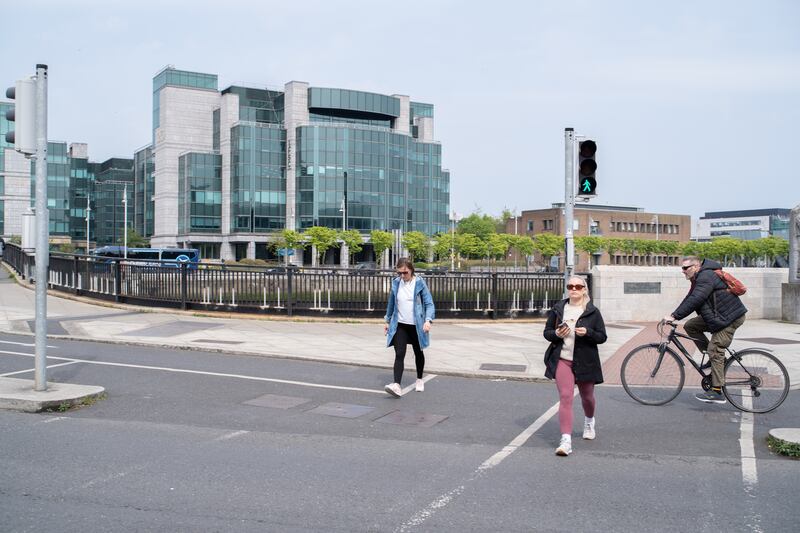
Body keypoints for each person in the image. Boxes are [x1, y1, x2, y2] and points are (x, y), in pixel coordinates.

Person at [663, 256, 747, 404]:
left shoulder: (706, 276)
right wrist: (673, 314)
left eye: (685, 268)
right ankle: (715, 359)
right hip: (719, 316)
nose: (683, 271)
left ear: (696, 267)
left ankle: (717, 391)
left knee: (716, 350)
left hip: (729, 318)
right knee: (691, 326)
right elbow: (690, 298)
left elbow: (697, 298)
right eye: (682, 268)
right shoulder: (698, 279)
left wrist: (674, 316)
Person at [543, 275, 607, 457]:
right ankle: (566, 440)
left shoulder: (592, 311)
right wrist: (556, 333)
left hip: (586, 360)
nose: (573, 289)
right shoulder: (558, 309)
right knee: (565, 396)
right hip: (562, 359)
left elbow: (602, 337)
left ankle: (589, 421)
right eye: (570, 286)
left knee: (587, 397)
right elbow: (547, 333)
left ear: (584, 289)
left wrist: (588, 332)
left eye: (578, 286)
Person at [383, 258, 435, 397]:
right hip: (400, 324)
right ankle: (396, 385)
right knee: (399, 354)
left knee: (418, 352)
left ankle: (419, 379)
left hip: (417, 325)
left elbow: (429, 303)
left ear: (411, 270)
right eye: (399, 273)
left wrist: (428, 320)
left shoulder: (419, 283)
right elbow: (391, 303)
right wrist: (387, 320)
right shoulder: (396, 283)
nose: (402, 276)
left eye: (405, 272)